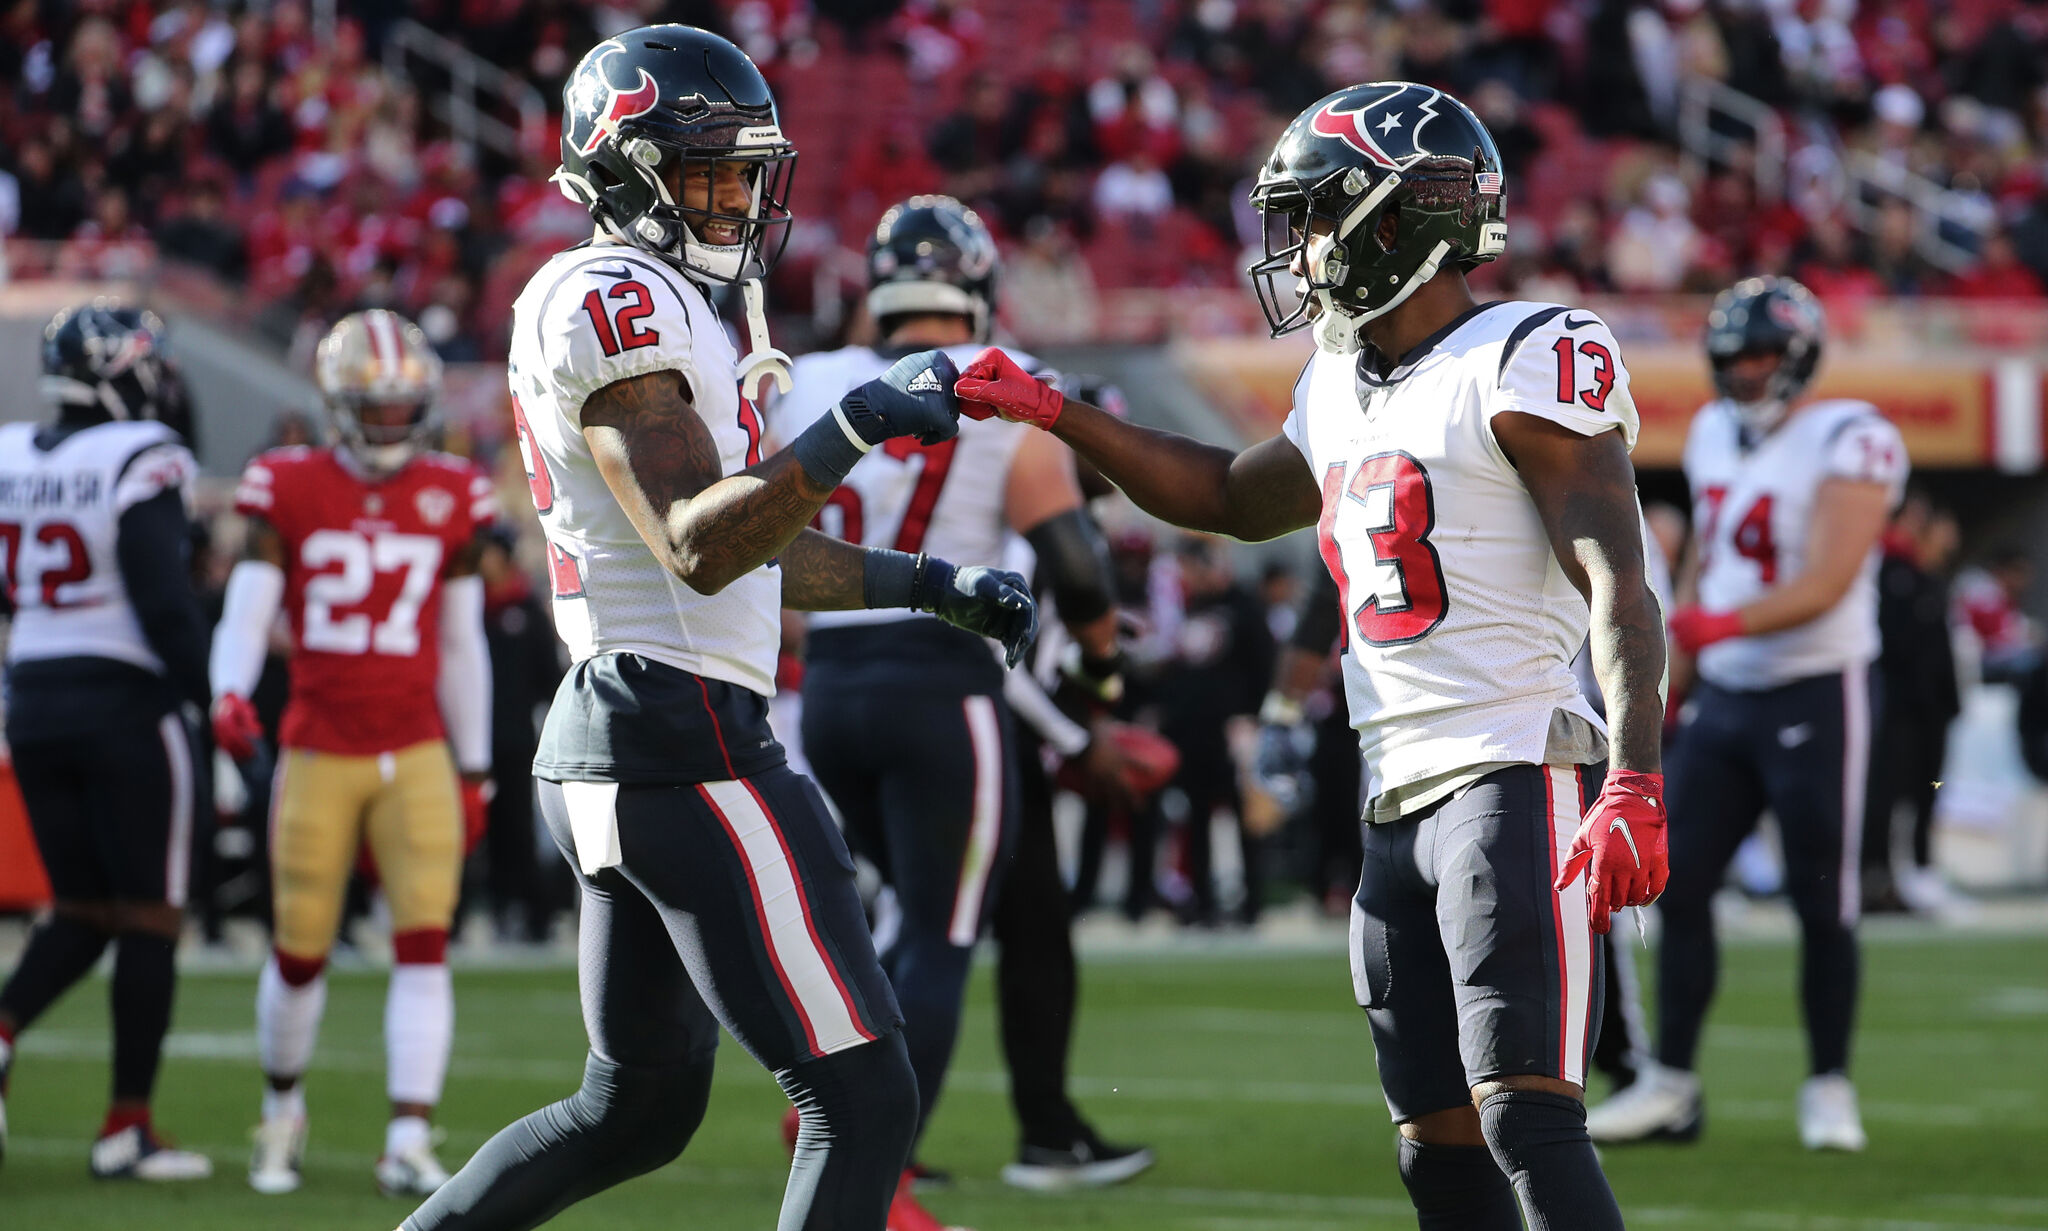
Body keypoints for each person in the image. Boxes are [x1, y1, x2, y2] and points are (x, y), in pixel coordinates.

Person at [957, 80, 1668, 1231]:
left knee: (1525, 1121)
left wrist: (1631, 771)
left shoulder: (1528, 351)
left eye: (1318, 215)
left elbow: (1616, 579)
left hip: (1510, 768)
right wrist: (1058, 415)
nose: (1299, 248)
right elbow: (1232, 499)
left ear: (1403, 219)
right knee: (1434, 1148)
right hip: (1390, 792)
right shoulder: (1337, 379)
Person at [397, 28, 1035, 1231]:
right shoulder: (611, 293)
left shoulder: (667, 299)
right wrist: (850, 428)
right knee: (863, 1094)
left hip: (629, 724)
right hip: (675, 726)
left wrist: (930, 582)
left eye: (748, 171)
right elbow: (698, 540)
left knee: (633, 1109)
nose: (738, 197)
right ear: (625, 166)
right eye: (707, 170)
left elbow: (760, 550)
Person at [773, 196, 1146, 1194]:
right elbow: (1073, 564)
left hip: (831, 685)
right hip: (944, 680)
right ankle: (871, 1171)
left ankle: (833, 1114)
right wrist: (1103, 667)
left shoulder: (802, 380)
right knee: (940, 936)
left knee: (898, 919)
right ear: (976, 288)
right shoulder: (1006, 389)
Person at [1586, 276, 1907, 1152]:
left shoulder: (1853, 436)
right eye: (1734, 359)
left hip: (1816, 685)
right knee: (1678, 878)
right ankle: (1673, 1083)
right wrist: (1675, 678)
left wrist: (1716, 623)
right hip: (1727, 690)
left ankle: (1829, 1084)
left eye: (1763, 356)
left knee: (1822, 894)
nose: (1748, 372)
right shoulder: (1712, 433)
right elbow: (1706, 573)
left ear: (1799, 357)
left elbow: (1830, 578)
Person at [210, 308, 498, 1197]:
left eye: (400, 406)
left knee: (423, 941)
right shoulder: (287, 482)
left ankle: (408, 1133)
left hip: (413, 746)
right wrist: (226, 688)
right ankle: (281, 1109)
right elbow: (249, 609)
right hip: (320, 743)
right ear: (337, 406)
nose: (388, 424)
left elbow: (462, 641)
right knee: (299, 947)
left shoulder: (454, 488)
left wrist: (477, 763)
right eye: (372, 409)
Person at [0, 303, 213, 1181]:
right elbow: (159, 591)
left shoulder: (10, 451)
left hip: (34, 694)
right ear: (119, 371)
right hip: (127, 698)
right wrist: (207, 695)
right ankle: (127, 1126)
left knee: (84, 911)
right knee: (153, 914)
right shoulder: (142, 455)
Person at [1863, 491, 1959, 915]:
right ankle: (1878, 876)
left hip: (1927, 710)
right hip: (1898, 708)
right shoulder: (1885, 572)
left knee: (1924, 794)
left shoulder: (1924, 577)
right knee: (1885, 795)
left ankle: (1917, 871)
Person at [475, 526, 568, 943]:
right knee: (478, 831)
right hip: (470, 740)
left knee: (518, 828)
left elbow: (547, 677)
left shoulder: (525, 610)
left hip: (514, 740)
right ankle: (488, 910)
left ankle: (534, 916)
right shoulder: (468, 608)